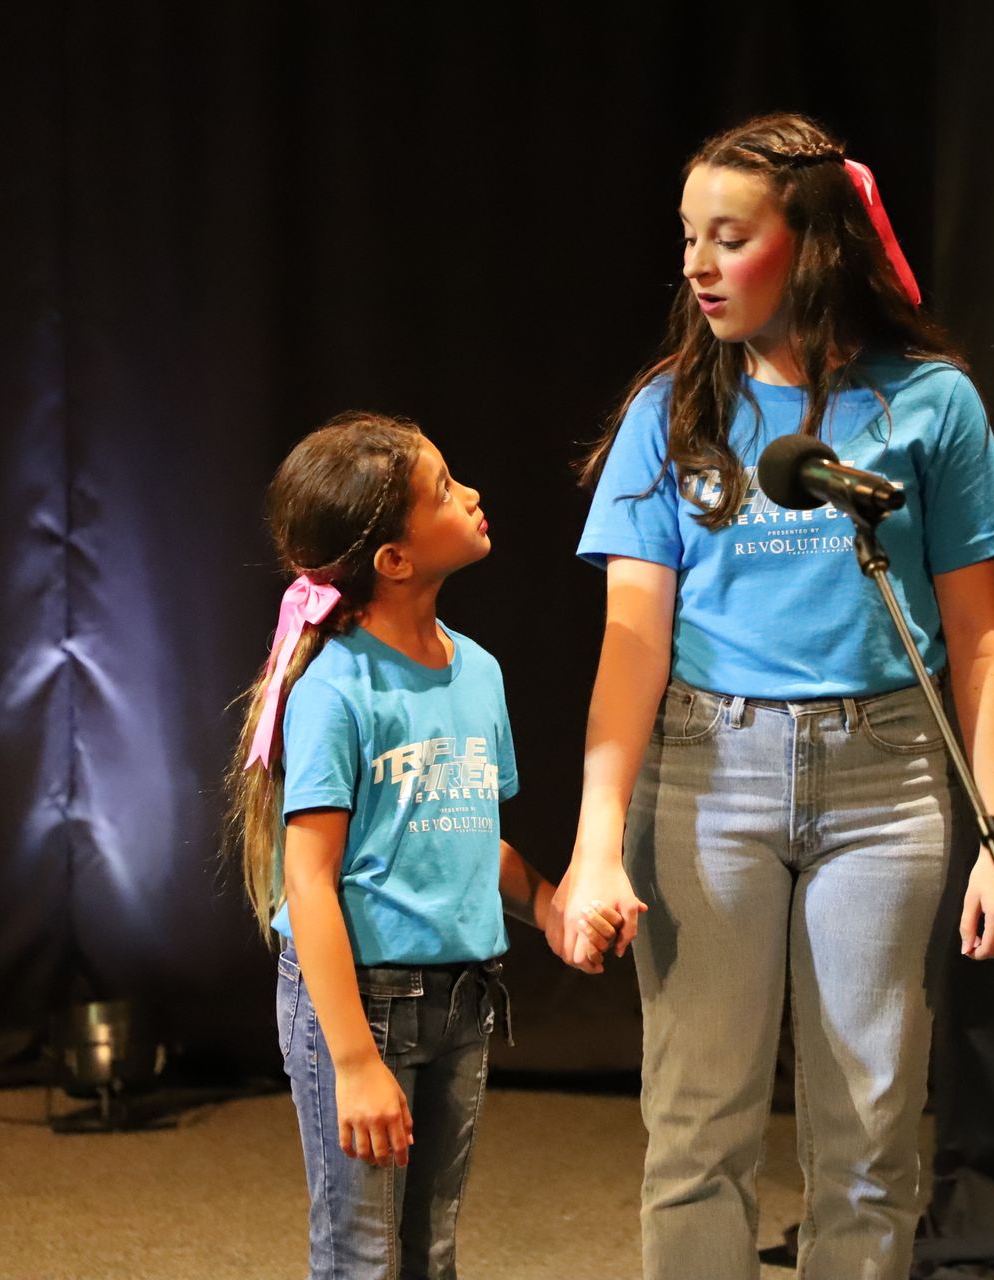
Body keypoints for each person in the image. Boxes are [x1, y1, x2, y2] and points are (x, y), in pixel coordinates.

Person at [554, 113, 994, 1279]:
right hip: (705, 775)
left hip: (887, 779)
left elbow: (978, 639)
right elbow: (630, 645)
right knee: (698, 1127)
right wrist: (594, 844)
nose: (698, 264)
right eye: (688, 238)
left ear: (813, 245)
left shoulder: (931, 402)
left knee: (871, 1133)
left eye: (730, 238)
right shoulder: (670, 409)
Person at [226, 411, 617, 1279]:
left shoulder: (478, 671)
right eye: (444, 489)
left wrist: (550, 906)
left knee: (429, 1250)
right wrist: (354, 1062)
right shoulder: (336, 690)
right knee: (361, 1257)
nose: (471, 495)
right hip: (360, 1003)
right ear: (394, 560)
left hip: (462, 1000)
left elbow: (468, 833)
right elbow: (309, 882)